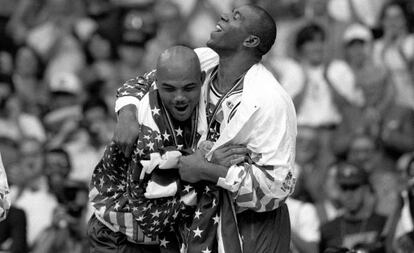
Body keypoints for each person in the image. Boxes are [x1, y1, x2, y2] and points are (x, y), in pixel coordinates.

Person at [114, 4, 297, 253]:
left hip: (254, 223)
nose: (224, 15)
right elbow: (142, 83)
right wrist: (127, 114)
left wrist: (208, 170)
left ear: (251, 40)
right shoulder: (203, 60)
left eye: (236, 17)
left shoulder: (270, 99)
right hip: (202, 212)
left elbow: (275, 190)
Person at [89, 46, 248, 253]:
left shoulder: (206, 64)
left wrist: (126, 108)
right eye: (170, 89)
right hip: (119, 237)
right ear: (158, 85)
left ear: (201, 79)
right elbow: (151, 220)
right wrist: (209, 168)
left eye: (189, 88)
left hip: (163, 239)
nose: (179, 97)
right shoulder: (148, 133)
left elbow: (139, 81)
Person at [320, 162, 387, 252]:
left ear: (366, 188)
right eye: (344, 188)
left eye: (354, 187)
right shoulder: (327, 229)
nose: (349, 194)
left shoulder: (383, 223)